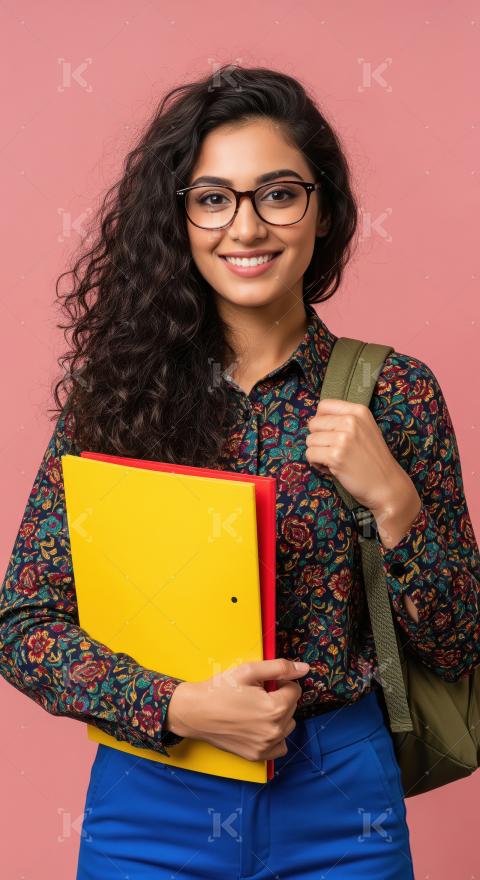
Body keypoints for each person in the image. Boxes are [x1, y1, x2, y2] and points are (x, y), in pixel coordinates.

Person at [1, 63, 479, 880]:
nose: (246, 227)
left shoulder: (395, 392)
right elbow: (25, 623)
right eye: (213, 197)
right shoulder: (118, 397)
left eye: (278, 193)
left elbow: (460, 637)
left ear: (322, 209)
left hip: (342, 800)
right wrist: (178, 706)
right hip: (151, 793)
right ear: (180, 219)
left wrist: (396, 504)